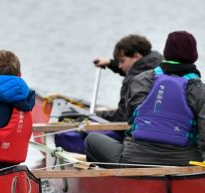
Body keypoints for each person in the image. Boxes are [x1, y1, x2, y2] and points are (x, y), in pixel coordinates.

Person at [85, 31, 205, 168]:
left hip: (134, 161)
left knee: (91, 139)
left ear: (166, 54)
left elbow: (130, 117)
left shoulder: (140, 80)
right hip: (185, 163)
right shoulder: (200, 90)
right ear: (194, 57)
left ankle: (107, 183)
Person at [94, 34, 163, 122]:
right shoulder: (159, 61)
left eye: (122, 61)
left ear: (137, 56)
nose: (119, 66)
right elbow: (136, 68)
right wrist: (110, 63)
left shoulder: (132, 80)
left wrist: (97, 115)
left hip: (140, 125)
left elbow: (123, 116)